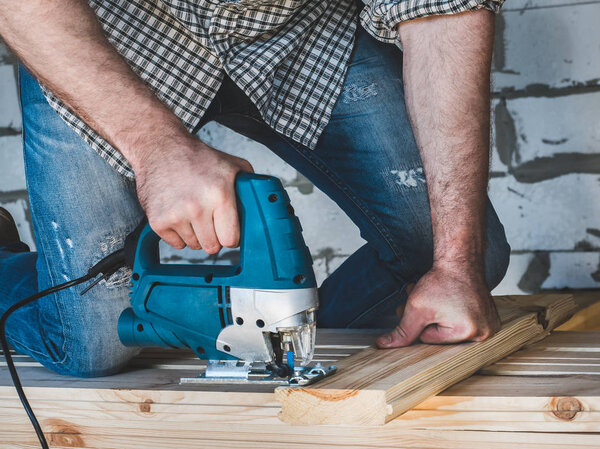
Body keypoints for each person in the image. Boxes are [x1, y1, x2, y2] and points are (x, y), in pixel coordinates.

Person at [0, 0, 510, 377]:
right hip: (109, 32)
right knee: (91, 346)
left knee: (459, 257)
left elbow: (445, 12)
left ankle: (275, 337)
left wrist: (454, 264)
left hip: (304, 30)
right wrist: (158, 150)